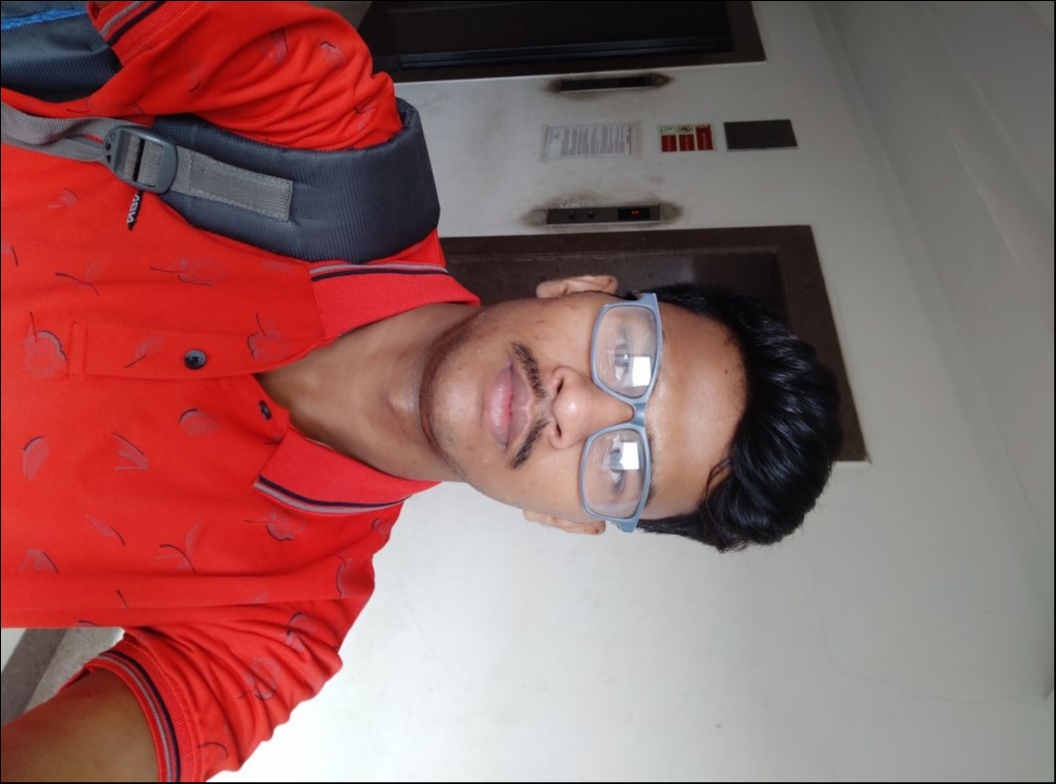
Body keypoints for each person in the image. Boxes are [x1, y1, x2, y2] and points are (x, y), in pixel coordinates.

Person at [0, 2, 842, 781]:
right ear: (583, 285)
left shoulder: (282, 628)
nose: (576, 408)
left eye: (624, 465)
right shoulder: (324, 123)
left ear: (573, 519)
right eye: (628, 358)